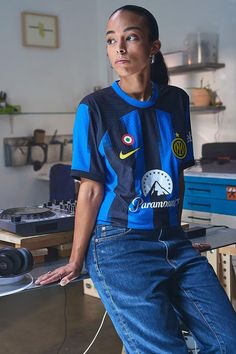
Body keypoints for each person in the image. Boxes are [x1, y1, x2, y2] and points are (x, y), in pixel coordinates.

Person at [36, 5, 236, 353]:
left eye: (130, 37)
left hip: (172, 241)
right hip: (118, 244)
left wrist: (177, 232)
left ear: (153, 46)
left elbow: (177, 175)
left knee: (228, 341)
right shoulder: (95, 107)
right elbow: (91, 189)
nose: (120, 49)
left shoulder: (176, 101)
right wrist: (76, 257)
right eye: (111, 41)